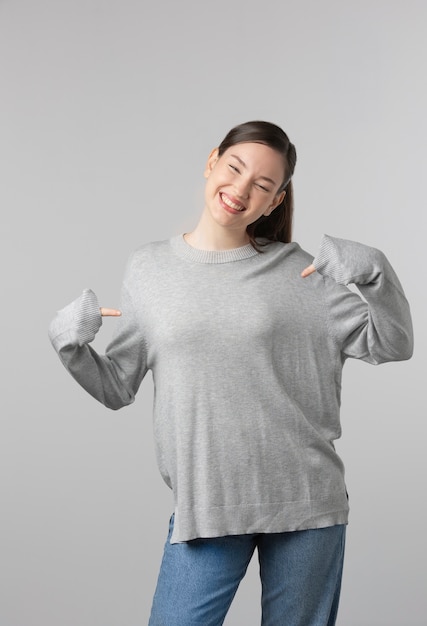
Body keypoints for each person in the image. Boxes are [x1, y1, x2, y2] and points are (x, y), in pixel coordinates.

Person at [48, 120, 413, 626]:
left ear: (275, 202)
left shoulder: (302, 271)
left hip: (306, 502)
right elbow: (116, 387)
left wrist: (376, 271)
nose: (241, 190)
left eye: (263, 185)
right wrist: (69, 347)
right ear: (212, 161)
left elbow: (393, 343)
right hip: (208, 504)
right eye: (235, 168)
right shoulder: (149, 268)